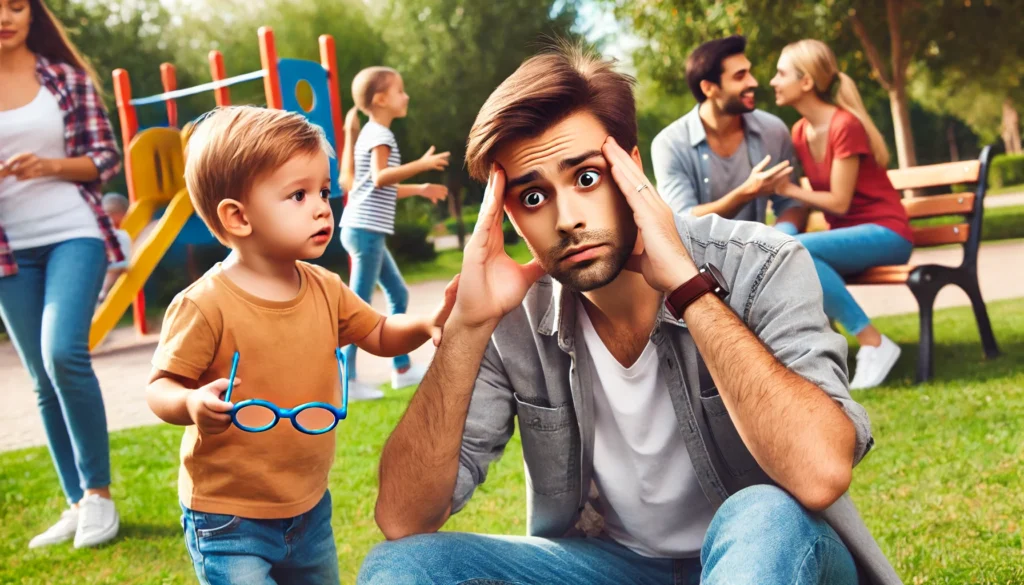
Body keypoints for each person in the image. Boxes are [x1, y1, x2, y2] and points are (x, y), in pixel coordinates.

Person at [358, 45, 901, 585]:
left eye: (586, 178)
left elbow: (821, 473)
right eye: (531, 197)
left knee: (763, 511)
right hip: (614, 565)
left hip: (776, 555)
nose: (566, 218)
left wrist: (691, 291)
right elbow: (404, 517)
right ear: (508, 217)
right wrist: (467, 328)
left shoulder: (760, 264)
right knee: (402, 566)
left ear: (632, 168)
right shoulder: (513, 317)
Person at [145, 106, 456, 585]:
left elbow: (375, 332)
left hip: (309, 507)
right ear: (238, 216)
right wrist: (190, 401)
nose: (320, 207)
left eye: (323, 192)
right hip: (228, 518)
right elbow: (161, 386)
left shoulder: (325, 287)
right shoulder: (205, 305)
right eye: (298, 195)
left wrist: (422, 325)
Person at [0, 0, 123, 549]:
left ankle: (99, 496)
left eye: (16, 5)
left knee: (62, 353)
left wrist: (48, 165)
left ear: (32, 14)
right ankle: (76, 503)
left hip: (74, 231)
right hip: (9, 251)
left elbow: (106, 158)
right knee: (40, 379)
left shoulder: (64, 78)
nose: (6, 16)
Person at [769, 39, 913, 390]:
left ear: (806, 82)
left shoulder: (844, 125)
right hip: (848, 239)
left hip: (886, 234)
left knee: (795, 249)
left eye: (781, 73)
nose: (772, 81)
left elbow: (839, 202)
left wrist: (785, 189)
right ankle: (823, 350)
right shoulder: (800, 132)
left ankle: (873, 342)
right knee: (789, 248)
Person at [338, 66, 449, 400]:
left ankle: (401, 368)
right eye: (400, 90)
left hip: (364, 230)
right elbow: (380, 178)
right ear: (381, 99)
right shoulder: (380, 136)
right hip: (365, 231)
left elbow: (381, 186)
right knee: (357, 308)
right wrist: (422, 165)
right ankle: (347, 380)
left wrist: (420, 188)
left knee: (397, 294)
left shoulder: (374, 133)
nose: (407, 96)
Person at [652, 35, 808, 234]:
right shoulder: (670, 144)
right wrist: (746, 193)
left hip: (763, 256)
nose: (753, 82)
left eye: (749, 73)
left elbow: (792, 204)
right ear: (708, 88)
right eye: (740, 76)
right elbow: (682, 220)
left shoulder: (774, 131)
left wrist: (775, 243)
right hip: (697, 261)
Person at [97, 192, 132, 303]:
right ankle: (104, 290)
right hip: (111, 265)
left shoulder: (96, 225)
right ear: (121, 214)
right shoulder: (118, 234)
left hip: (99, 265)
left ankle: (102, 291)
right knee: (117, 268)